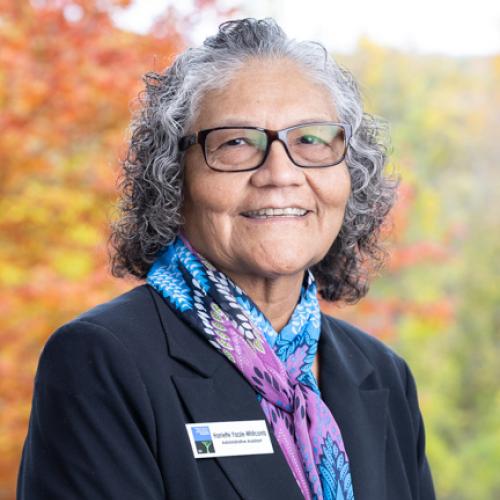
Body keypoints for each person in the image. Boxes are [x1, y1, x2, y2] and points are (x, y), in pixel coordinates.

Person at [17, 18, 435, 500]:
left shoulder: (380, 372)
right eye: (236, 142)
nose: (281, 173)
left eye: (310, 141)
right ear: (173, 179)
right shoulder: (102, 360)